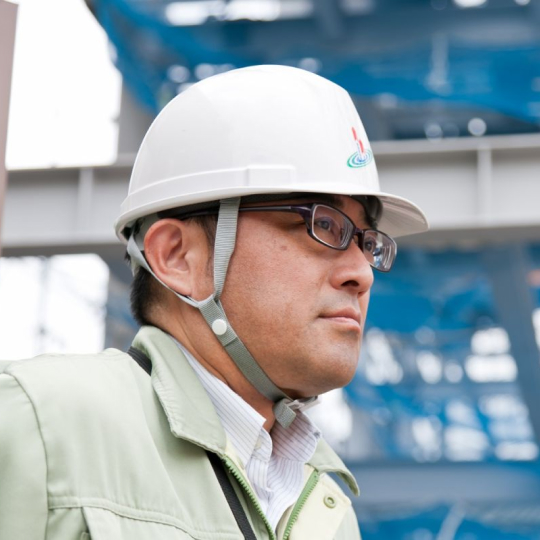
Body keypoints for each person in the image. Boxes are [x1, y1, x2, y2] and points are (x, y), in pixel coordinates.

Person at [0, 65, 428, 539]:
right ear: (177, 256)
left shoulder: (329, 514)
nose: (362, 273)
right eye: (323, 225)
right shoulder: (36, 422)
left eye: (367, 242)